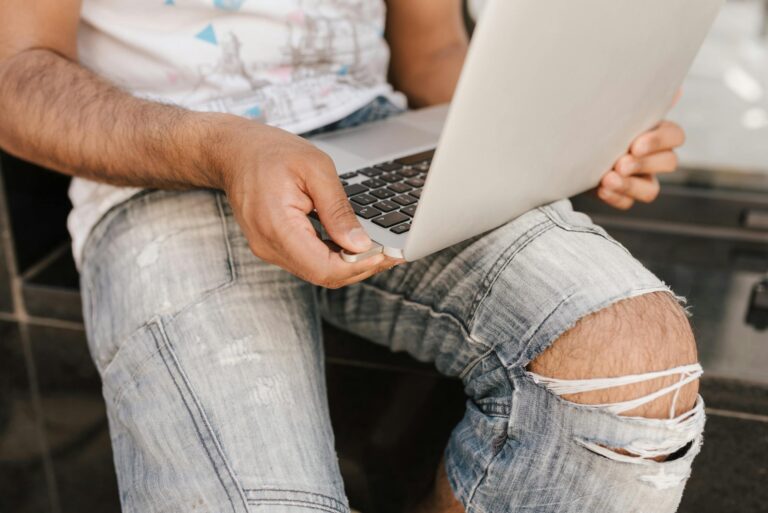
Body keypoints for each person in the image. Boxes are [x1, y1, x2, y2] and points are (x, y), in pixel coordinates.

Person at [0, 1, 704, 512]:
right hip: (161, 169)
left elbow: (430, 52)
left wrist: (571, 134)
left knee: (632, 356)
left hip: (377, 137)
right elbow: (14, 73)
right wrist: (226, 149)